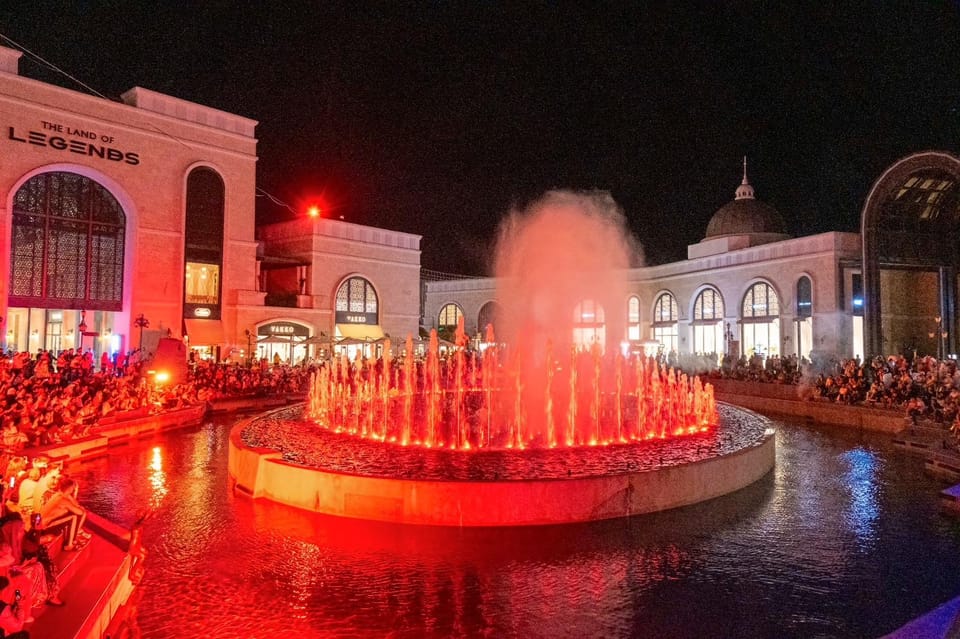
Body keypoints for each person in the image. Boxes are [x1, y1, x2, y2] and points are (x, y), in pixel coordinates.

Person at [38, 479, 88, 552]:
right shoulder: (62, 500)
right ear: (71, 489)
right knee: (73, 517)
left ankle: (73, 538)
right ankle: (69, 545)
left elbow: (76, 505)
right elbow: (80, 512)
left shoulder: (58, 495)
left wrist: (70, 496)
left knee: (72, 514)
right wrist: (74, 495)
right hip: (44, 528)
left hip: (41, 524)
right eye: (73, 488)